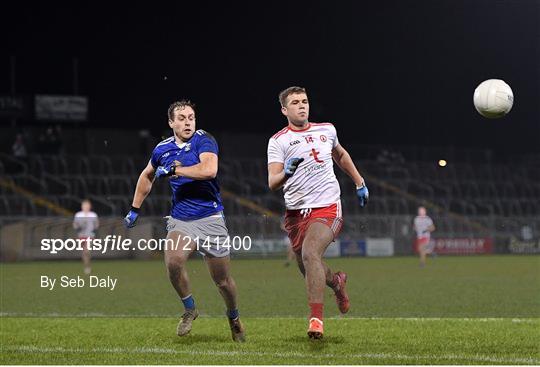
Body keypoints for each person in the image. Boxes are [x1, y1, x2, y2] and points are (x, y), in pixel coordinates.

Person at [124, 100, 245, 342]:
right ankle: (190, 308)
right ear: (171, 123)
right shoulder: (162, 149)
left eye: (191, 117)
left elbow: (209, 170)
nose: (188, 121)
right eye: (181, 118)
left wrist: (174, 171)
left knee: (222, 281)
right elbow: (146, 175)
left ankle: (233, 316)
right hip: (181, 219)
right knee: (174, 262)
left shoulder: (204, 140)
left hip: (210, 218)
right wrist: (135, 208)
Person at [267, 86, 369, 339]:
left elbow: (341, 154)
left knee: (311, 253)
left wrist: (360, 182)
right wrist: (286, 173)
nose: (302, 105)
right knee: (308, 266)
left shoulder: (327, 129)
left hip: (328, 206)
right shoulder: (278, 141)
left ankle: (316, 320)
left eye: (304, 101)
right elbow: (272, 182)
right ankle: (337, 282)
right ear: (284, 109)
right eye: (295, 102)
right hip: (295, 213)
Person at [73, 199, 99, 275]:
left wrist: (94, 230)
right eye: (84, 205)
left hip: (90, 235)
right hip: (81, 235)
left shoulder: (93, 215)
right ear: (82, 206)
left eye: (87, 205)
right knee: (84, 252)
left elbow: (96, 224)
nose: (86, 207)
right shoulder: (78, 215)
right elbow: (75, 224)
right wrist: (78, 229)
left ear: (90, 206)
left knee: (87, 250)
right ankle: (87, 266)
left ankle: (87, 267)